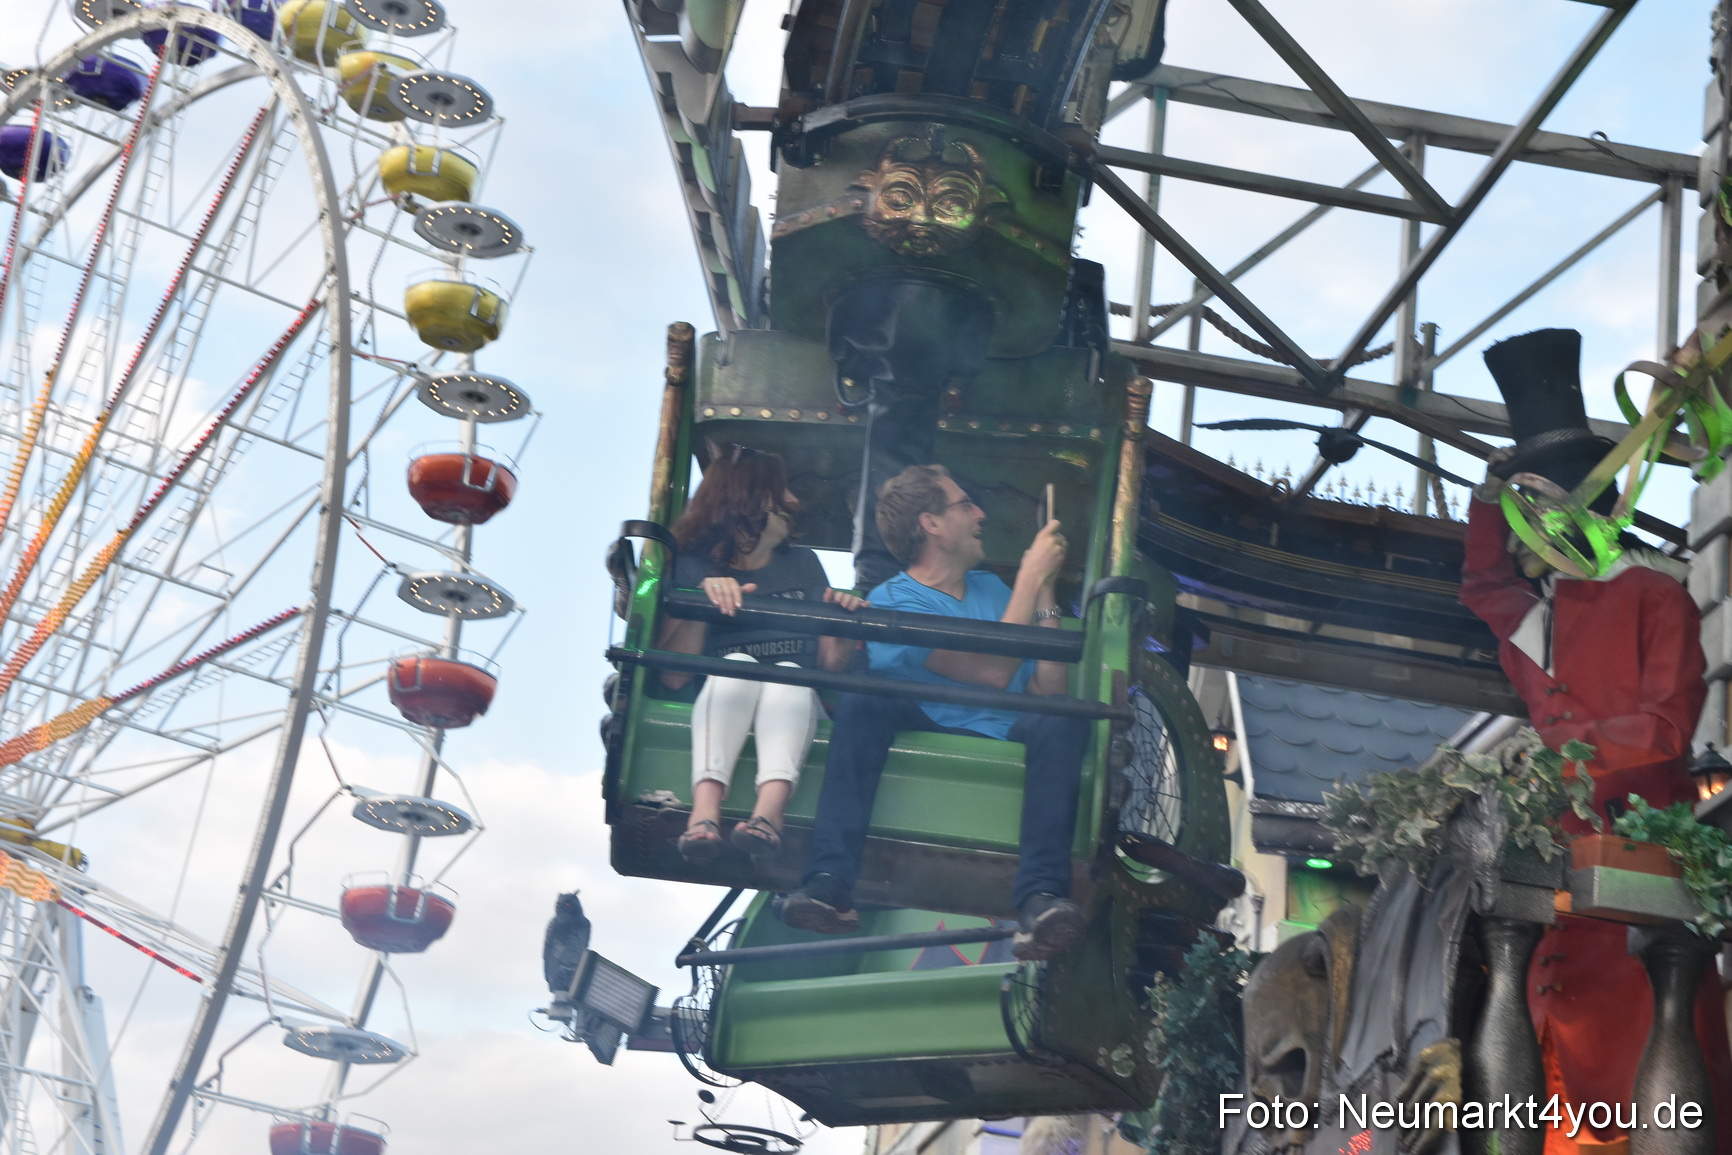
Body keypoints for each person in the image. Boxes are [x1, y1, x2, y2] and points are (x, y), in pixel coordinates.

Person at [1461, 328, 1732, 1155]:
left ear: (1583, 504)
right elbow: (1482, 585)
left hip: (1641, 867)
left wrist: (1560, 758)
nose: (1525, 534)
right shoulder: (1545, 613)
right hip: (1558, 882)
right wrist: (1486, 488)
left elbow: (1662, 731)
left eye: (1536, 511)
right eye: (1520, 518)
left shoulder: (1658, 594)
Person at [779, 464, 1088, 961]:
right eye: (966, 504)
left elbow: (1045, 686)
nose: (980, 513)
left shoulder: (992, 590)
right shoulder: (894, 598)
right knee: (862, 697)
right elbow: (990, 671)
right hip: (927, 729)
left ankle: (1040, 901)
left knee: (1065, 713)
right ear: (932, 524)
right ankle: (830, 880)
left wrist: (1045, 591)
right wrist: (1029, 576)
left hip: (1006, 729)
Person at [659, 446, 866, 863]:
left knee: (788, 673)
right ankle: (704, 814)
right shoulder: (690, 567)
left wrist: (842, 630)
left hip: (799, 700)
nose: (793, 501)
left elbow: (829, 666)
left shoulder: (804, 564)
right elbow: (674, 677)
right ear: (748, 498)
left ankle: (768, 817)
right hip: (723, 697)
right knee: (736, 666)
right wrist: (705, 602)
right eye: (781, 491)